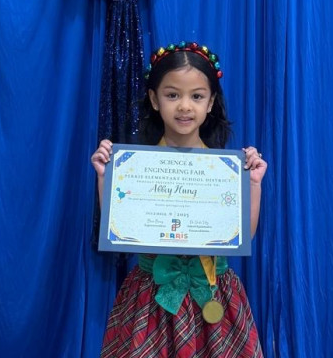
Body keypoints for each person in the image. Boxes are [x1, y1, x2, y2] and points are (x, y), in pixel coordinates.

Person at [91, 41, 267, 358]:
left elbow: (245, 235)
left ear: (210, 102)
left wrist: (253, 184)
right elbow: (122, 230)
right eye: (172, 95)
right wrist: (106, 177)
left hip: (213, 293)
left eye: (196, 96)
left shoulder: (228, 170)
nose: (185, 106)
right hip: (150, 296)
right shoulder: (134, 167)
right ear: (154, 99)